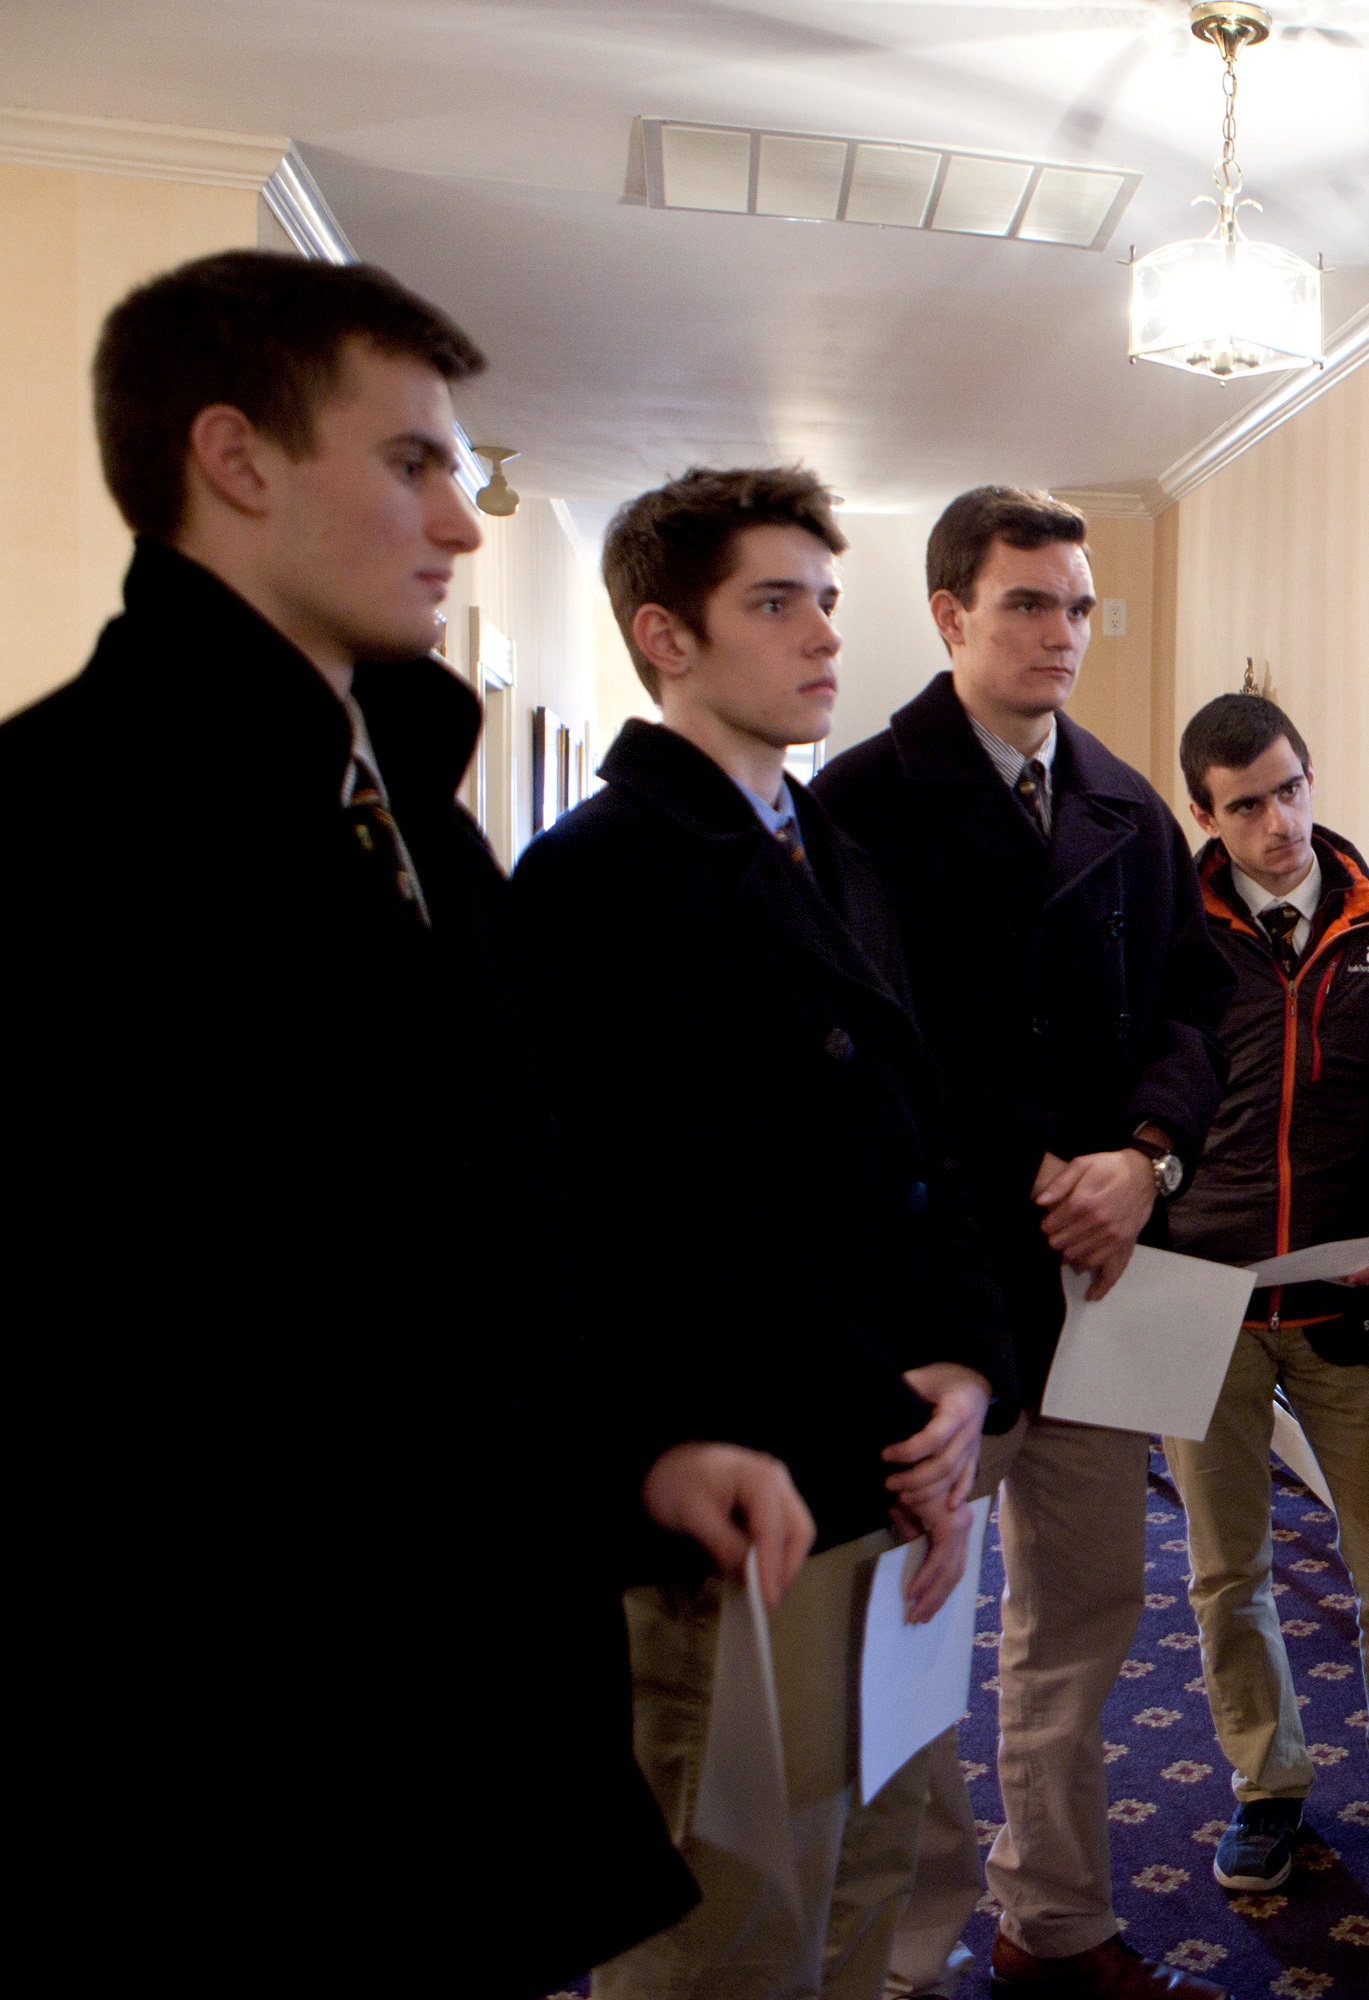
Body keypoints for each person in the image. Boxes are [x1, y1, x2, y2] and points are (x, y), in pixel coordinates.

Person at [0, 250, 807, 1995]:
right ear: (236, 459)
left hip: (457, 1665)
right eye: (414, 461)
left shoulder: (408, 816)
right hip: (251, 1733)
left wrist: (637, 1454)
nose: (458, 517)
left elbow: (480, 1225)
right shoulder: (62, 821)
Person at [512, 466, 1014, 2000]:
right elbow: (603, 1235)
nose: (820, 636)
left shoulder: (835, 854)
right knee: (730, 1913)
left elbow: (930, 1150)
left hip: (894, 1462)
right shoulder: (593, 878)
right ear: (665, 635)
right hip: (742, 1490)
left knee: (872, 1870)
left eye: (827, 600)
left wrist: (968, 1367)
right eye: (773, 601)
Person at [814, 485, 1234, 2000]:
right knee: (911, 1638)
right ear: (949, 616)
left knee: (1085, 1624)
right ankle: (904, 1954)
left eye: (1076, 605)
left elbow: (1198, 1012)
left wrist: (1146, 1157)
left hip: (1112, 1274)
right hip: (949, 1282)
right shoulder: (859, 799)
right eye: (1026, 605)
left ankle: (1054, 1919)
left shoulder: (1124, 800)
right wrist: (1050, 1160)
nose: (1061, 634)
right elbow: (878, 1044)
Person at [1158, 690, 1369, 1893]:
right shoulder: (1168, 934)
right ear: (1205, 812)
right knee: (1224, 1571)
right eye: (1245, 804)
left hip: (1348, 1302)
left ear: (1312, 779)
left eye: (1291, 789)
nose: (1278, 821)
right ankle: (1267, 1784)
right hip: (1201, 1303)